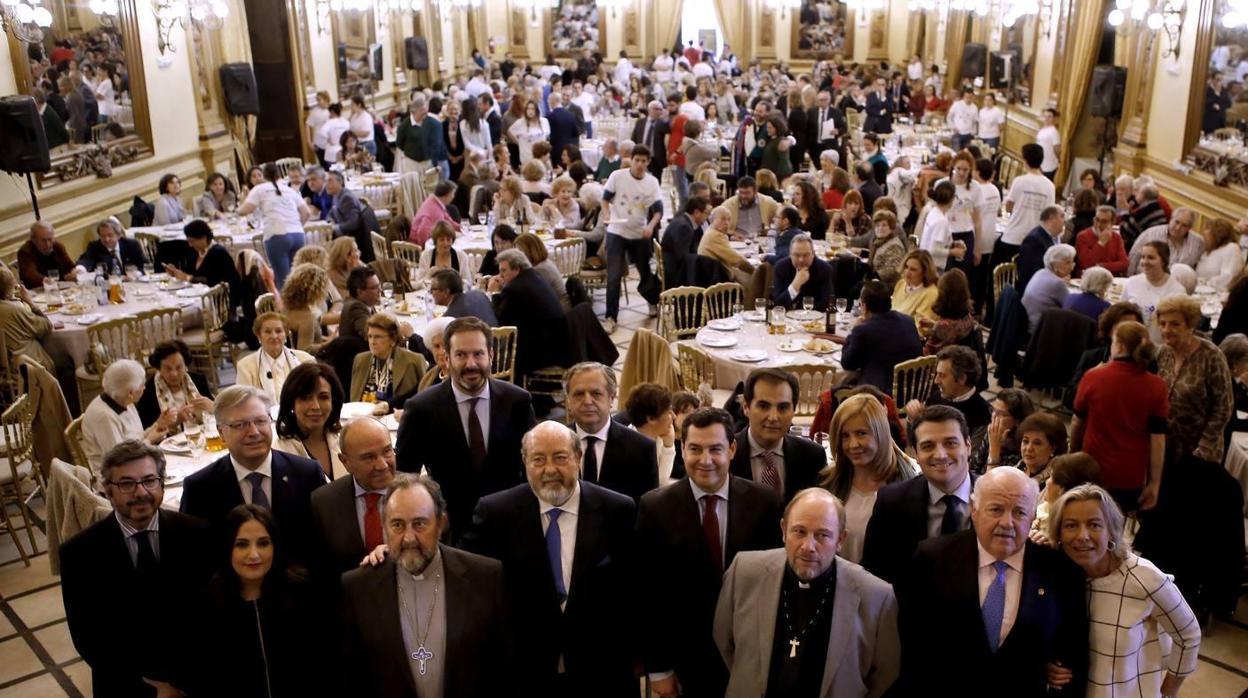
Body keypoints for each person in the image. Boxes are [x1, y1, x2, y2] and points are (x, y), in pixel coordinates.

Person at [461, 420, 638, 697]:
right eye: (538, 460)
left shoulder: (618, 510)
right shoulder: (495, 513)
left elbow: (636, 589)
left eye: (560, 457)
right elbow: (462, 574)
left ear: (578, 457)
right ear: (524, 461)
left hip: (602, 673)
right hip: (524, 674)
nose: (550, 470)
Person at [896, 466, 1088, 695]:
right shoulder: (932, 559)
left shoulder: (1060, 572)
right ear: (974, 510)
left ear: (1033, 517)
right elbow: (913, 645)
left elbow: (1070, 656)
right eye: (996, 510)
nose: (1007, 522)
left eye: (1019, 512)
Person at [637, 407, 783, 698]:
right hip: (686, 659)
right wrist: (658, 668)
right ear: (682, 449)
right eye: (695, 449)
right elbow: (647, 592)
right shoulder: (655, 507)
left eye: (715, 449)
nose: (705, 460)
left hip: (751, 653)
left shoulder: (765, 503)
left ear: (731, 449)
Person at [61, 439, 214, 698]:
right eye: (126, 483)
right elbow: (89, 639)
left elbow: (209, 618)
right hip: (124, 685)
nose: (140, 492)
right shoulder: (79, 553)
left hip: (194, 679)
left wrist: (180, 683)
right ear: (107, 489)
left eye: (149, 480)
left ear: (162, 482)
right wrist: (155, 688)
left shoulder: (197, 533)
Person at [714, 488, 901, 697]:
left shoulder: (875, 596)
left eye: (822, 535)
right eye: (799, 531)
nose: (808, 546)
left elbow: (885, 671)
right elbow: (724, 642)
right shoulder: (745, 571)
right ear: (784, 530)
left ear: (841, 539)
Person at [340, 473, 511, 697]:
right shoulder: (358, 587)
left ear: (440, 523)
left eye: (419, 524)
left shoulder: (485, 577)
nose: (408, 538)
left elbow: (505, 668)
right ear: (385, 526)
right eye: (397, 525)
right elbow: (351, 677)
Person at [1045, 485, 1201, 698]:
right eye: (1071, 525)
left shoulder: (1144, 577)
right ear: (1059, 534)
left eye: (1094, 525)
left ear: (1111, 530)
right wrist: (1048, 664)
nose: (1083, 536)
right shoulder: (1060, 577)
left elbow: (1189, 635)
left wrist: (1168, 691)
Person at [395, 316, 537, 536]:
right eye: (461, 355)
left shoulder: (517, 402)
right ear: (446, 358)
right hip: (450, 531)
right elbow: (405, 477)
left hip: (511, 525)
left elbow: (532, 467)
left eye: (478, 354)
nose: (471, 364)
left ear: (491, 355)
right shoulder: (421, 409)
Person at [179, 385, 327, 564]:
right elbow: (195, 555)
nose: (254, 432)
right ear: (221, 433)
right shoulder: (200, 488)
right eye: (240, 425)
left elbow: (323, 544)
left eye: (260, 421)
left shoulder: (306, 474)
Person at [194, 504, 324, 697]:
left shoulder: (304, 593)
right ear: (227, 547)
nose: (254, 555)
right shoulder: (207, 604)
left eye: (263, 543)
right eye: (241, 544)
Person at [859, 405, 976, 583]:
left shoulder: (997, 497)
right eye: (928, 446)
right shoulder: (892, 502)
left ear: (968, 446)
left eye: (950, 443)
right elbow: (873, 572)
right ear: (915, 453)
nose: (940, 455)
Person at [1069, 320, 1167, 513]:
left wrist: (1073, 454)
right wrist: (1154, 483)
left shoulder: (1094, 376)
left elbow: (1077, 422)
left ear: (1119, 345)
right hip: (1129, 476)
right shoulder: (1157, 386)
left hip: (1091, 466)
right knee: (1114, 529)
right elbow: (1158, 440)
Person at [820, 394, 920, 563]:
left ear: (880, 433)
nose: (853, 444)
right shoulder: (828, 483)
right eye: (845, 436)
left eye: (861, 433)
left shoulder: (909, 489)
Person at [308, 416, 397, 582]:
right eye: (369, 457)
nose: (383, 465)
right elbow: (320, 572)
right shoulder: (324, 502)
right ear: (345, 461)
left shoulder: (418, 494)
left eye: (387, 451)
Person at [1155, 295, 1234, 465]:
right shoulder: (1164, 353)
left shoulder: (1212, 356)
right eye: (1163, 324)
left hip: (1200, 451)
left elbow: (1223, 408)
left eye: (1175, 324)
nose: (1167, 329)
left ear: (1190, 325)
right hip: (1168, 447)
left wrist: (1204, 448)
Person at [729, 368, 827, 504]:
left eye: (783, 408)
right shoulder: (725, 455)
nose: (773, 417)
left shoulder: (813, 456)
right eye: (763, 406)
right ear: (746, 407)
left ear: (794, 410)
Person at [564, 362, 658, 502]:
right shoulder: (553, 443)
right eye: (579, 394)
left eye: (596, 393)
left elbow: (646, 510)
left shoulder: (641, 448)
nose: (588, 401)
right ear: (569, 401)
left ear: (611, 398)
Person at [601, 144, 663, 333]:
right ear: (631, 160)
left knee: (645, 272)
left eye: (644, 161)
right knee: (613, 276)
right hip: (616, 231)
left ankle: (652, 302)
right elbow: (605, 199)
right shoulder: (617, 176)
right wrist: (606, 215)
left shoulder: (651, 182)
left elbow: (658, 210)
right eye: (637, 160)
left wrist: (650, 227)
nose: (640, 165)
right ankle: (611, 317)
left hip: (639, 233)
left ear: (648, 162)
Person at [81, 360, 178, 476]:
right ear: (131, 393)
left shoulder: (123, 400)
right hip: (116, 478)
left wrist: (158, 424)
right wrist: (150, 440)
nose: (145, 387)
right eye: (142, 384)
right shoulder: (104, 416)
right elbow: (120, 460)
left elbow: (135, 439)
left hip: (136, 463)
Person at [487, 249, 569, 378]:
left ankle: (507, 383)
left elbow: (502, 321)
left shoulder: (514, 288)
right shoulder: (534, 276)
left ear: (516, 269)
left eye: (503, 270)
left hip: (542, 351)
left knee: (499, 345)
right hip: (558, 343)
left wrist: (494, 293)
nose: (500, 275)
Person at [235, 163, 312, 288]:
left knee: (283, 280)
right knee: (298, 277)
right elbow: (307, 212)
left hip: (277, 234)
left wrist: (237, 209)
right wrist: (297, 225)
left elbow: (244, 211)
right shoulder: (289, 190)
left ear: (264, 176)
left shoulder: (259, 189)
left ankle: (286, 307)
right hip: (297, 234)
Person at [841, 279, 924, 394]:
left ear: (864, 306)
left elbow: (847, 363)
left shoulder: (863, 330)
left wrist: (853, 331)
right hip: (912, 391)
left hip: (879, 395)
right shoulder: (908, 320)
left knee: (836, 390)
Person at [274, 362, 345, 481]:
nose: (315, 406)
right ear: (291, 402)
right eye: (305, 398)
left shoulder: (344, 441)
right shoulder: (278, 453)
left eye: (323, 397)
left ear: (334, 401)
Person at [350, 313, 427, 414]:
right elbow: (354, 399)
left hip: (395, 418)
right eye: (370, 336)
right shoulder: (361, 359)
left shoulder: (413, 361)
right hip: (364, 416)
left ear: (393, 340)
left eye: (378, 337)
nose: (372, 342)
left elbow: (424, 394)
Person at [996, 143, 1056, 267]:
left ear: (1025, 160)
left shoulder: (1019, 181)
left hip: (1013, 237)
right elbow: (1049, 213)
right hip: (1036, 240)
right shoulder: (1050, 185)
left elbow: (1008, 207)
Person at [135, 340, 214, 434]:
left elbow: (216, 415)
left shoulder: (198, 380)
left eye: (179, 367)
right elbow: (145, 430)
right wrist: (176, 420)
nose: (174, 374)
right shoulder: (147, 391)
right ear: (158, 368)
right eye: (168, 368)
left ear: (186, 365)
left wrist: (212, 407)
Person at [907, 346, 991, 432]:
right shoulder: (936, 397)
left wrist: (921, 424)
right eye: (937, 374)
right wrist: (913, 420)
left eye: (942, 375)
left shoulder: (982, 417)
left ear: (962, 378)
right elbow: (913, 442)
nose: (936, 381)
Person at [235, 313, 316, 402]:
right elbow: (244, 402)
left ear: (286, 335)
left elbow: (314, 394)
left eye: (278, 331)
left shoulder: (306, 360)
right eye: (267, 332)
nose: (274, 336)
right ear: (259, 336)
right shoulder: (245, 366)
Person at [164, 220, 243, 305]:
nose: (190, 245)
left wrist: (188, 278)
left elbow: (213, 282)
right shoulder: (195, 252)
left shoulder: (218, 253)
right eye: (189, 241)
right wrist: (176, 273)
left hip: (221, 300)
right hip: (199, 296)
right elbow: (190, 273)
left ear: (204, 238)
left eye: (193, 241)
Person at [1121, 241, 1187, 342]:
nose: (1145, 262)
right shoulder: (1131, 282)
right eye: (1143, 257)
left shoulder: (1177, 291)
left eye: (1151, 258)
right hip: (1133, 342)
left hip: (1160, 346)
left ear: (1164, 261)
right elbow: (1121, 313)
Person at [624, 383, 680, 486]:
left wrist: (668, 445)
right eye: (668, 412)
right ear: (651, 419)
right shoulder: (629, 447)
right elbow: (654, 486)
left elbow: (661, 481)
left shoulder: (659, 437)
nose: (674, 416)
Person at [968, 388, 1035, 474]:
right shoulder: (994, 432)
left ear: (1018, 421)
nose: (993, 416)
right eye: (993, 410)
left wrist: (995, 449)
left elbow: (995, 483)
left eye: (1001, 414)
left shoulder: (1024, 447)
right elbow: (973, 467)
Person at [1127, 208, 1204, 275]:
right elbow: (1133, 257)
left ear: (1189, 228)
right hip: (1145, 281)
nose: (1178, 228)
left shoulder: (1198, 243)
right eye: (1176, 222)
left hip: (1178, 287)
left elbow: (1197, 268)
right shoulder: (1151, 234)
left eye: (1184, 226)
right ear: (1171, 219)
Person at [1021, 243, 1076, 333]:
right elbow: (1072, 308)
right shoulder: (1057, 283)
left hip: (1026, 323)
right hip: (1040, 331)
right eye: (1068, 262)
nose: (1072, 267)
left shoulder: (1041, 272)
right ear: (1056, 266)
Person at [771, 234, 833, 311]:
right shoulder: (781, 267)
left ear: (813, 254)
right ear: (790, 254)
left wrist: (799, 311)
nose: (801, 259)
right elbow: (777, 305)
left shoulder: (824, 269)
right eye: (796, 255)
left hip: (814, 319)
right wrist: (795, 285)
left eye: (805, 255)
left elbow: (827, 303)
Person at [922, 268, 976, 354]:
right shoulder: (969, 318)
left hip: (944, 364)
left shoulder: (941, 327)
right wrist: (934, 324)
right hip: (963, 362)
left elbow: (927, 355)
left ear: (944, 296)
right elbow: (953, 329)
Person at [699, 206, 757, 286]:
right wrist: (754, 270)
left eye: (729, 219)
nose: (726, 223)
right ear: (712, 220)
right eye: (723, 219)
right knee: (755, 280)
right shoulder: (714, 236)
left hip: (716, 274)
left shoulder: (712, 231)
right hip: (719, 280)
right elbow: (736, 260)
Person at [661, 196, 710, 287]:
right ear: (696, 213)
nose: (708, 217)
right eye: (707, 213)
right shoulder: (684, 228)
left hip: (671, 264)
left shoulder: (683, 220)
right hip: (675, 273)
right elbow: (683, 258)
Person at [918, 180, 967, 272]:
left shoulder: (935, 212)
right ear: (952, 199)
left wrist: (952, 244)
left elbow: (935, 240)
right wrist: (953, 252)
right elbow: (933, 249)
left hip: (927, 263)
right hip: (934, 267)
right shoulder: (941, 221)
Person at [513, 232, 571, 309]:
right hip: (554, 306)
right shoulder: (543, 262)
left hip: (559, 311)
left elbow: (529, 296)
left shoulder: (541, 269)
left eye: (520, 252)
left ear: (530, 251)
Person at [1015, 205, 1066, 291]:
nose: (1065, 221)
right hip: (1035, 291)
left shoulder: (1055, 237)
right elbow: (1032, 272)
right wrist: (1057, 279)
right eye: (1062, 216)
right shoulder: (1034, 240)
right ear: (1051, 219)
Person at [75, 217, 148, 274]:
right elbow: (86, 260)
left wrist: (135, 274)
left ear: (118, 235)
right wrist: (80, 269)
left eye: (110, 235)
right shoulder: (94, 247)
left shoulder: (131, 245)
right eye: (103, 236)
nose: (106, 239)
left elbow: (144, 265)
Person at [17, 220, 77, 288]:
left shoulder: (58, 246)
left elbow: (70, 266)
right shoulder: (25, 251)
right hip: (37, 292)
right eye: (43, 240)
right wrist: (47, 281)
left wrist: (73, 273)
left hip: (61, 289)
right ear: (34, 240)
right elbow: (31, 276)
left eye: (50, 239)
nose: (48, 244)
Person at [429, 267, 498, 326]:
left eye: (433, 289)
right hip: (501, 338)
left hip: (483, 340)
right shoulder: (478, 293)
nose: (430, 292)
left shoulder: (450, 317)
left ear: (446, 292)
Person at [1074, 205, 1128, 276]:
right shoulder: (1082, 236)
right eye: (1097, 220)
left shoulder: (1116, 237)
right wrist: (1101, 243)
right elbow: (1087, 264)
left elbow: (1124, 264)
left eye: (1104, 221)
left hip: (1111, 279)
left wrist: (1101, 266)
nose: (1099, 224)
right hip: (1089, 279)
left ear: (1113, 222)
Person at [892, 249, 940, 327]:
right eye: (906, 267)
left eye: (913, 269)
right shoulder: (901, 283)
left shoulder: (931, 294)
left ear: (925, 272)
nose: (907, 272)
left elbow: (921, 329)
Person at [1195, 218, 1244, 290]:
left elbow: (1228, 277)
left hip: (1216, 293)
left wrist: (1205, 283)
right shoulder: (1207, 252)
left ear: (1218, 233)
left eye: (1208, 229)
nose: (1204, 232)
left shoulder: (1231, 248)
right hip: (1199, 289)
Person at [1118, 183, 1169, 250]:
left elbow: (1124, 231)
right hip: (1157, 245)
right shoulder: (1157, 206)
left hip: (1145, 247)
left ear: (1142, 195)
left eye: (1138, 192)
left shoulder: (1144, 211)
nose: (1135, 195)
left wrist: (1124, 211)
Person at [409, 181, 461, 246]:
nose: (453, 197)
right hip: (416, 248)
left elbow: (447, 220)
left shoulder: (434, 201)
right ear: (447, 195)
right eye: (452, 194)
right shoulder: (434, 210)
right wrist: (430, 251)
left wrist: (461, 228)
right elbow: (422, 233)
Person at [340, 266, 381, 344]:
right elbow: (373, 335)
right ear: (360, 292)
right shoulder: (356, 308)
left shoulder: (366, 302)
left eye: (379, 285)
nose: (380, 290)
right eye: (375, 287)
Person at [868, 210, 907, 288]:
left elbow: (893, 270)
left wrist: (873, 276)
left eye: (884, 225)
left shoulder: (895, 246)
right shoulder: (878, 242)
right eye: (877, 225)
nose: (880, 228)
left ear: (891, 228)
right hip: (877, 282)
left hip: (887, 287)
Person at [1036, 107, 1061, 180]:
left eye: (1049, 117)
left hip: (1049, 166)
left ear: (1054, 118)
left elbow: (1057, 148)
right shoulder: (1042, 130)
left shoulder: (1054, 132)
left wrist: (1059, 159)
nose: (1046, 119)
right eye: (1045, 116)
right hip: (1041, 164)